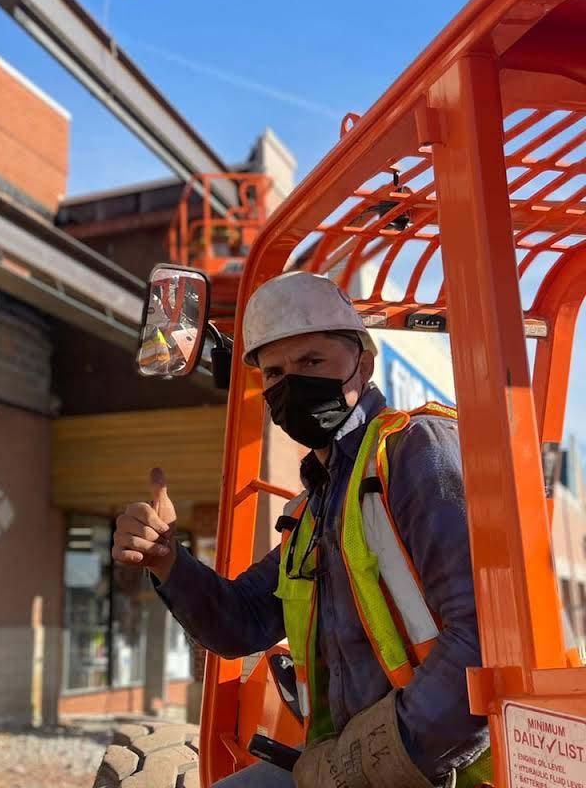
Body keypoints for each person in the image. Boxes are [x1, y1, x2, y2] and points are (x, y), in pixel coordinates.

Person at [112, 272, 490, 788]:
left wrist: (363, 764)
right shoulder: (314, 510)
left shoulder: (413, 454)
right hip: (345, 761)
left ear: (364, 363)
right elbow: (240, 624)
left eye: (312, 362)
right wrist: (167, 561)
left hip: (437, 767)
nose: (291, 383)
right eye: (275, 372)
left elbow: (483, 639)